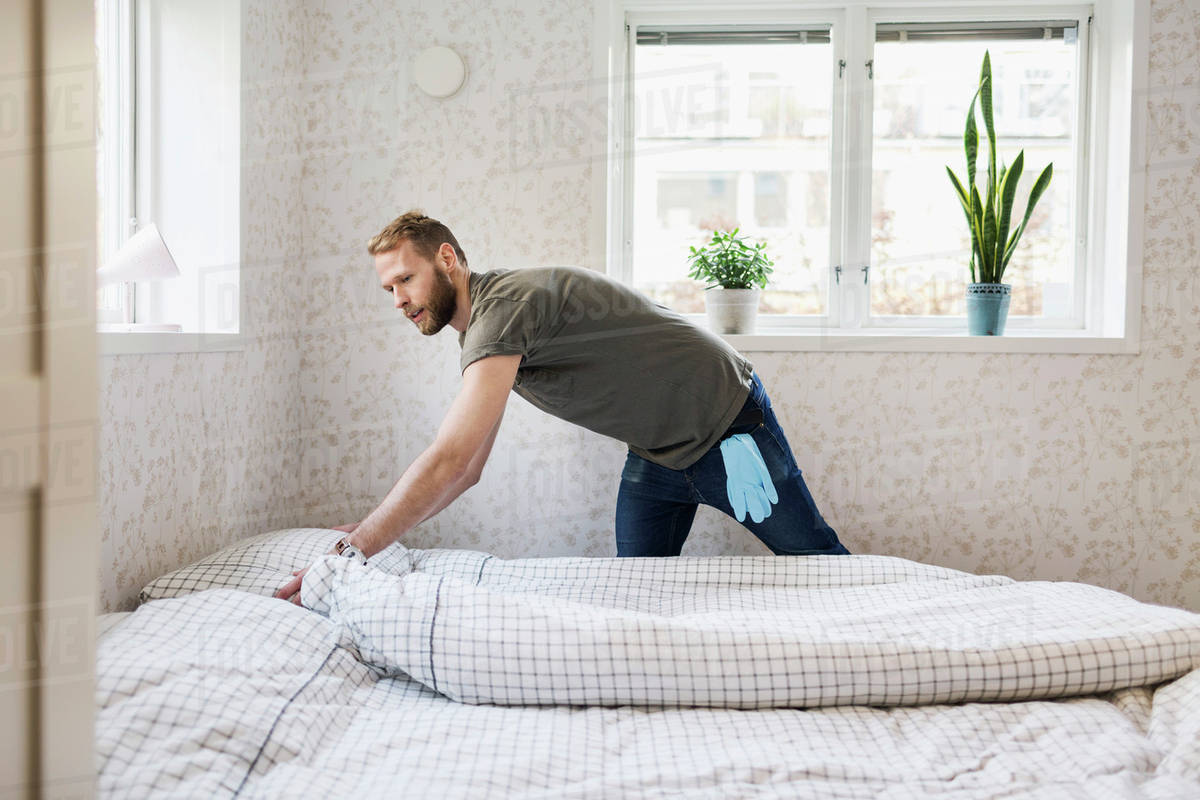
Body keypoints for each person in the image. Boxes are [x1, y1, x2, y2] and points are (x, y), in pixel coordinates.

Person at [275, 211, 849, 605]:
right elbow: (469, 469)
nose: (400, 300)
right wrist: (383, 534)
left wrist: (355, 548)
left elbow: (450, 457)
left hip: (727, 428)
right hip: (658, 455)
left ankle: (910, 636)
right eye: (389, 290)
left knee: (822, 566)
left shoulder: (502, 311)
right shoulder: (484, 333)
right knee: (639, 595)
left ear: (446, 259)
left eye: (406, 279)